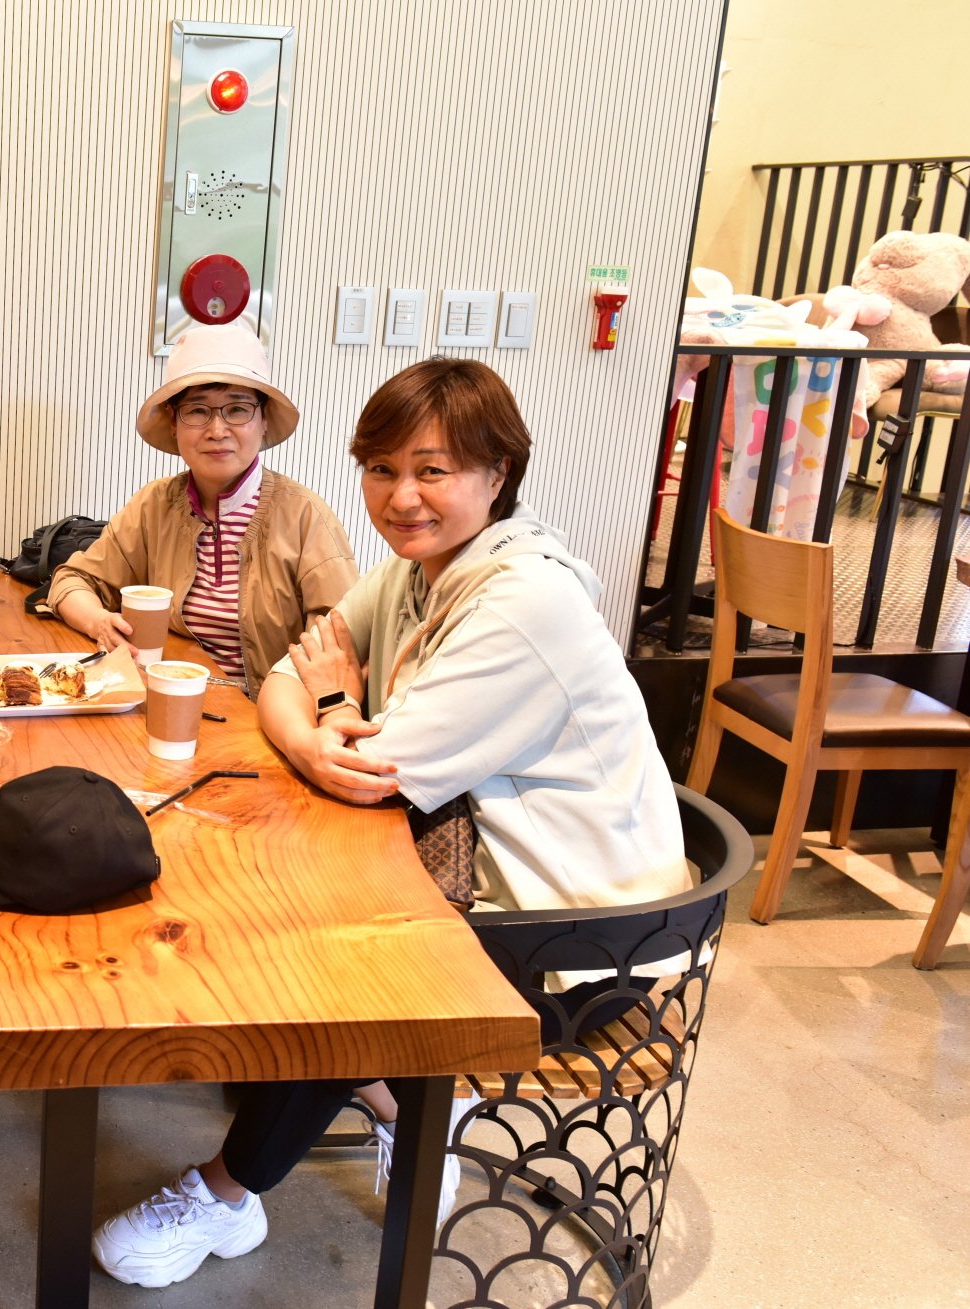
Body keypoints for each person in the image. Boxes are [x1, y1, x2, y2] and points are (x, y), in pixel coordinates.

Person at [91, 356, 689, 1289]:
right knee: (268, 897)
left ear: (497, 474)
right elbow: (286, 677)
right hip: (476, 877)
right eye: (381, 468)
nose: (401, 496)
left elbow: (370, 770)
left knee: (344, 964)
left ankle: (227, 1192)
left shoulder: (522, 602)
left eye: (433, 470)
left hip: (580, 941)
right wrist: (319, 726)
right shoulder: (416, 571)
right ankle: (401, 1105)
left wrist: (334, 702)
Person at [47, 322, 358, 693]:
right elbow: (71, 582)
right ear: (173, 422)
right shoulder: (154, 505)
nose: (217, 430)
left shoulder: (306, 516)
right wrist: (99, 621)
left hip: (269, 713)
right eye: (197, 411)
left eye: (238, 409)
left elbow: (340, 645)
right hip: (167, 696)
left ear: (263, 420)